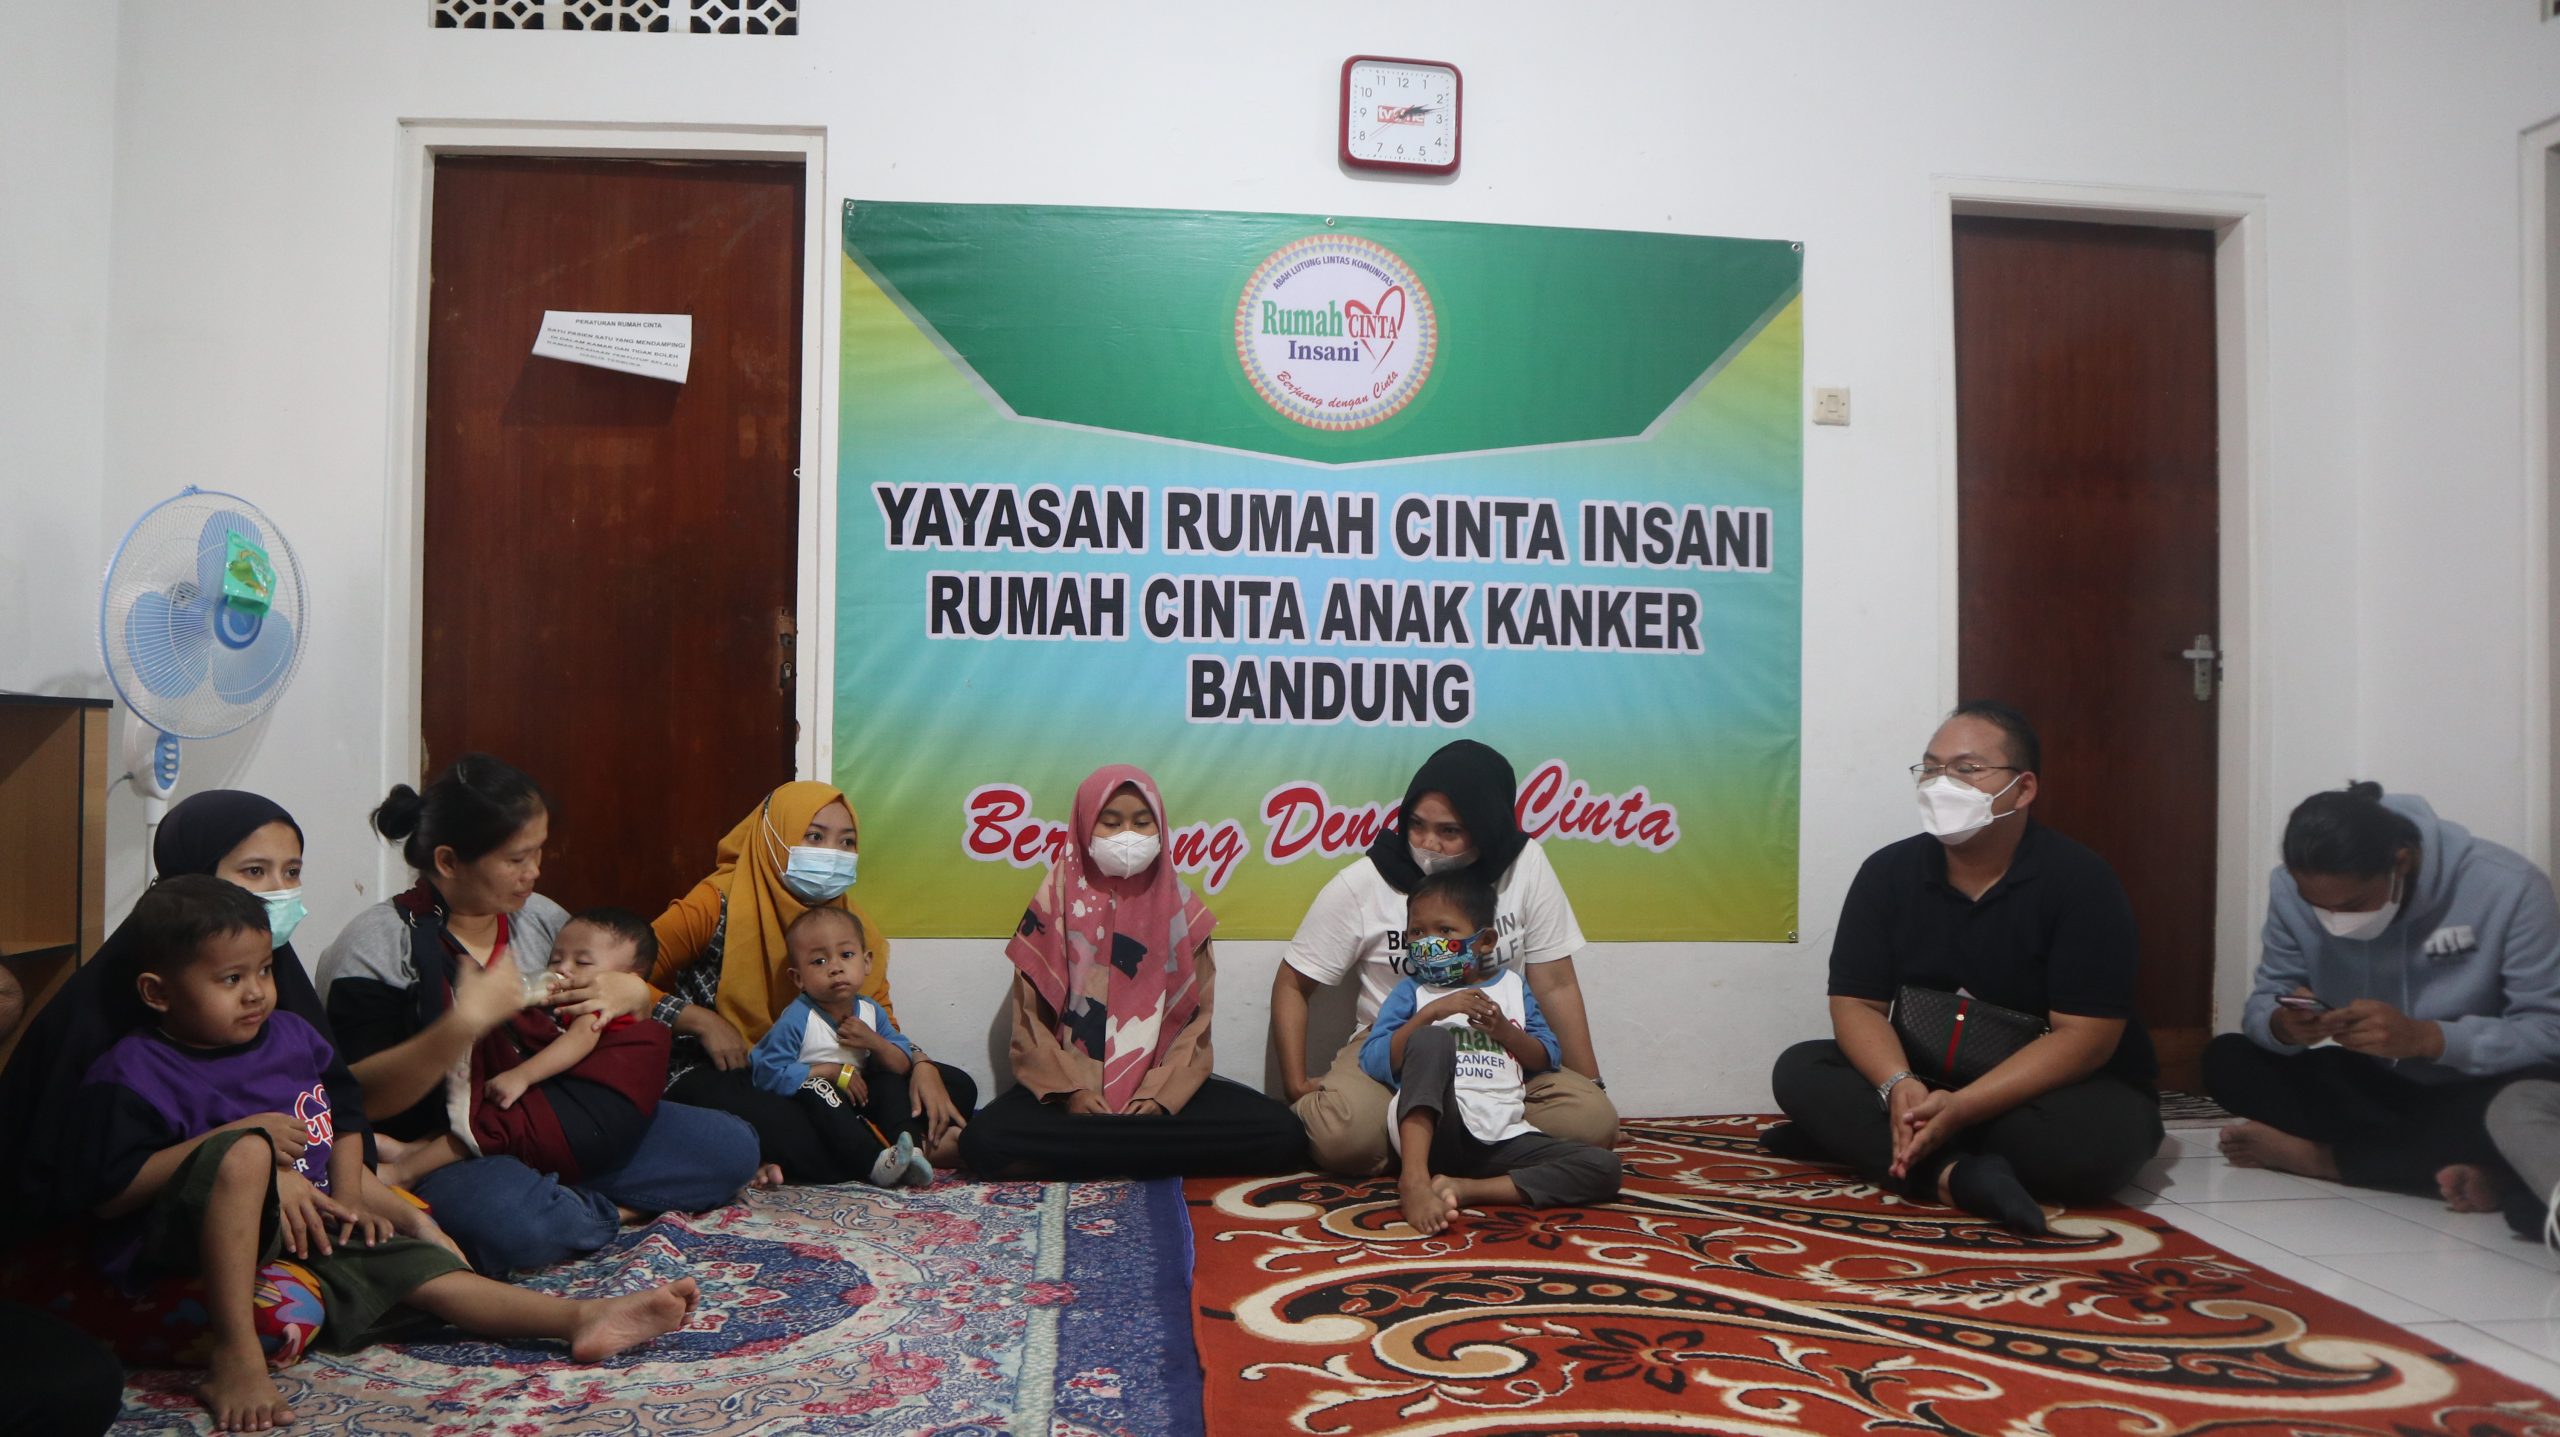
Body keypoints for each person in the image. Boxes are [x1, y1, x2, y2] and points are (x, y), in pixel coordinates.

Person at [73, 877, 700, 1433]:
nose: (257, 994)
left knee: (430, 1270)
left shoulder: (290, 1036)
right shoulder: (135, 1070)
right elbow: (111, 1194)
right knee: (245, 1153)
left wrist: (359, 1200)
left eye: (264, 971)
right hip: (189, 1238)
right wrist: (245, 1144)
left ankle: (580, 1318)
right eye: (231, 980)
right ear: (158, 992)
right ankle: (235, 1357)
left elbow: (345, 1117)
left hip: (312, 1220)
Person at [318, 754, 758, 1274]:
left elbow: (613, 1000)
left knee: (733, 1147)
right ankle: (594, 1208)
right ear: (448, 862)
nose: (535, 873)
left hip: (558, 1121)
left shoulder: (543, 919)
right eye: (517, 859)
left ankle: (571, 1205)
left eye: (539, 852)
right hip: (454, 1146)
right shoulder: (375, 946)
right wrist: (462, 1025)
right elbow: (357, 1100)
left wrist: (633, 992)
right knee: (514, 1227)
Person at [1766, 702, 2162, 1234]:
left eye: (1967, 769)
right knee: (1801, 1069)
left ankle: (1869, 1141)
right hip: (1929, 1073)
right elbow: (1856, 1004)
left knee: (2092, 1145)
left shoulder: (2082, 883)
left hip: (2046, 1090)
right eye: (1931, 769)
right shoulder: (1887, 873)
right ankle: (1954, 1175)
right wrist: (1897, 1083)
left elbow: (2085, 1038)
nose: (1942, 784)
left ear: (2022, 789)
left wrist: (1966, 1106)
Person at [0, 789, 383, 1232]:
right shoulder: (110, 1025)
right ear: (194, 873)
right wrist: (254, 1173)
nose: (280, 890)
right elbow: (78, 1179)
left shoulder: (279, 992)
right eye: (255, 871)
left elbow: (332, 1113)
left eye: (292, 871)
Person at [2206, 782, 2560, 1212]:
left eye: (2353, 904)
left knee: (2519, 1110)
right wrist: (2284, 1026)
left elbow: (2548, 1031)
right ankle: (2484, 1170)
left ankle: (2321, 1159)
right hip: (2378, 1082)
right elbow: (2269, 998)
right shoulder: (2289, 888)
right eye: (2317, 906)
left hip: (2475, 1084)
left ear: (2401, 863)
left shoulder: (2509, 886)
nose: (2335, 919)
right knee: (2229, 1060)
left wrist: (2429, 1038)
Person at [1272, 739, 1617, 1177]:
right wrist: (1294, 1084)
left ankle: (1429, 1137)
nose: (1428, 844)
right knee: (1342, 1139)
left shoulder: (1525, 864)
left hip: (1496, 1043)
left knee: (1592, 1123)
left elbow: (1556, 984)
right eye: (1416, 825)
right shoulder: (1364, 881)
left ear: (1487, 826)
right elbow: (1293, 982)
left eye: (1449, 831)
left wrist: (1591, 1086)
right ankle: (1481, 1143)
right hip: (1397, 1042)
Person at [959, 764, 1308, 1179]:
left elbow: (1196, 1024)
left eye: (1142, 823)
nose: (1128, 835)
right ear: (1084, 825)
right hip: (1071, 1098)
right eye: (1111, 822)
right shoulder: (1052, 905)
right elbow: (1030, 1024)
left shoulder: (1182, 912)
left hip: (1162, 1095)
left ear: (1160, 828)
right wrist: (1072, 1091)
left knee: (1283, 1133)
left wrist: (1161, 1095)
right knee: (983, 1139)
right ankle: (1143, 1152)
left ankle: (1093, 1153)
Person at [640, 780, 977, 1180]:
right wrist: (699, 1020)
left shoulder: (852, 925)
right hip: (729, 1068)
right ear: (773, 836)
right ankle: (914, 1148)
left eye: (846, 842)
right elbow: (620, 975)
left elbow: (879, 1024)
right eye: (814, 837)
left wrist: (921, 1064)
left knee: (955, 1086)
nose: (832, 853)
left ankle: (870, 1150)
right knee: (785, 1127)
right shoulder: (715, 903)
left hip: (833, 1070)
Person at [1365, 868, 1621, 1235]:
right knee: (1431, 1039)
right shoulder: (1412, 992)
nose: (1429, 943)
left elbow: (1547, 1056)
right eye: (1417, 932)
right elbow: (1374, 1059)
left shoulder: (1512, 988)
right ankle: (1415, 1179)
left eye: (1445, 931)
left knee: (1604, 1167)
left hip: (1502, 1134)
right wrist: (1430, 1014)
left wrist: (1505, 1031)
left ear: (1484, 941)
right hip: (1437, 1130)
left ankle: (1466, 1189)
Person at [376, 908, 673, 1190]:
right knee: (481, 1110)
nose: (563, 969)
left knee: (493, 1123)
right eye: (555, 959)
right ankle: (414, 1151)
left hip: (580, 1122)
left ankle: (402, 1173)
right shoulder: (575, 1003)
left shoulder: (599, 1004)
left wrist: (521, 1076)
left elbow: (578, 1041)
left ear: (626, 979)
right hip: (578, 1112)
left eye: (582, 963)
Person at [747, 907, 935, 1188]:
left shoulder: (871, 1011)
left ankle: (912, 1153)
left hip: (858, 1097)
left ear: (866, 962)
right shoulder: (798, 1019)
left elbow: (901, 1064)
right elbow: (766, 1074)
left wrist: (873, 1041)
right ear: (798, 978)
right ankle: (874, 1163)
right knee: (817, 1088)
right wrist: (832, 1072)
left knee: (889, 1080)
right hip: (814, 1106)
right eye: (819, 961)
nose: (835, 968)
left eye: (846, 955)